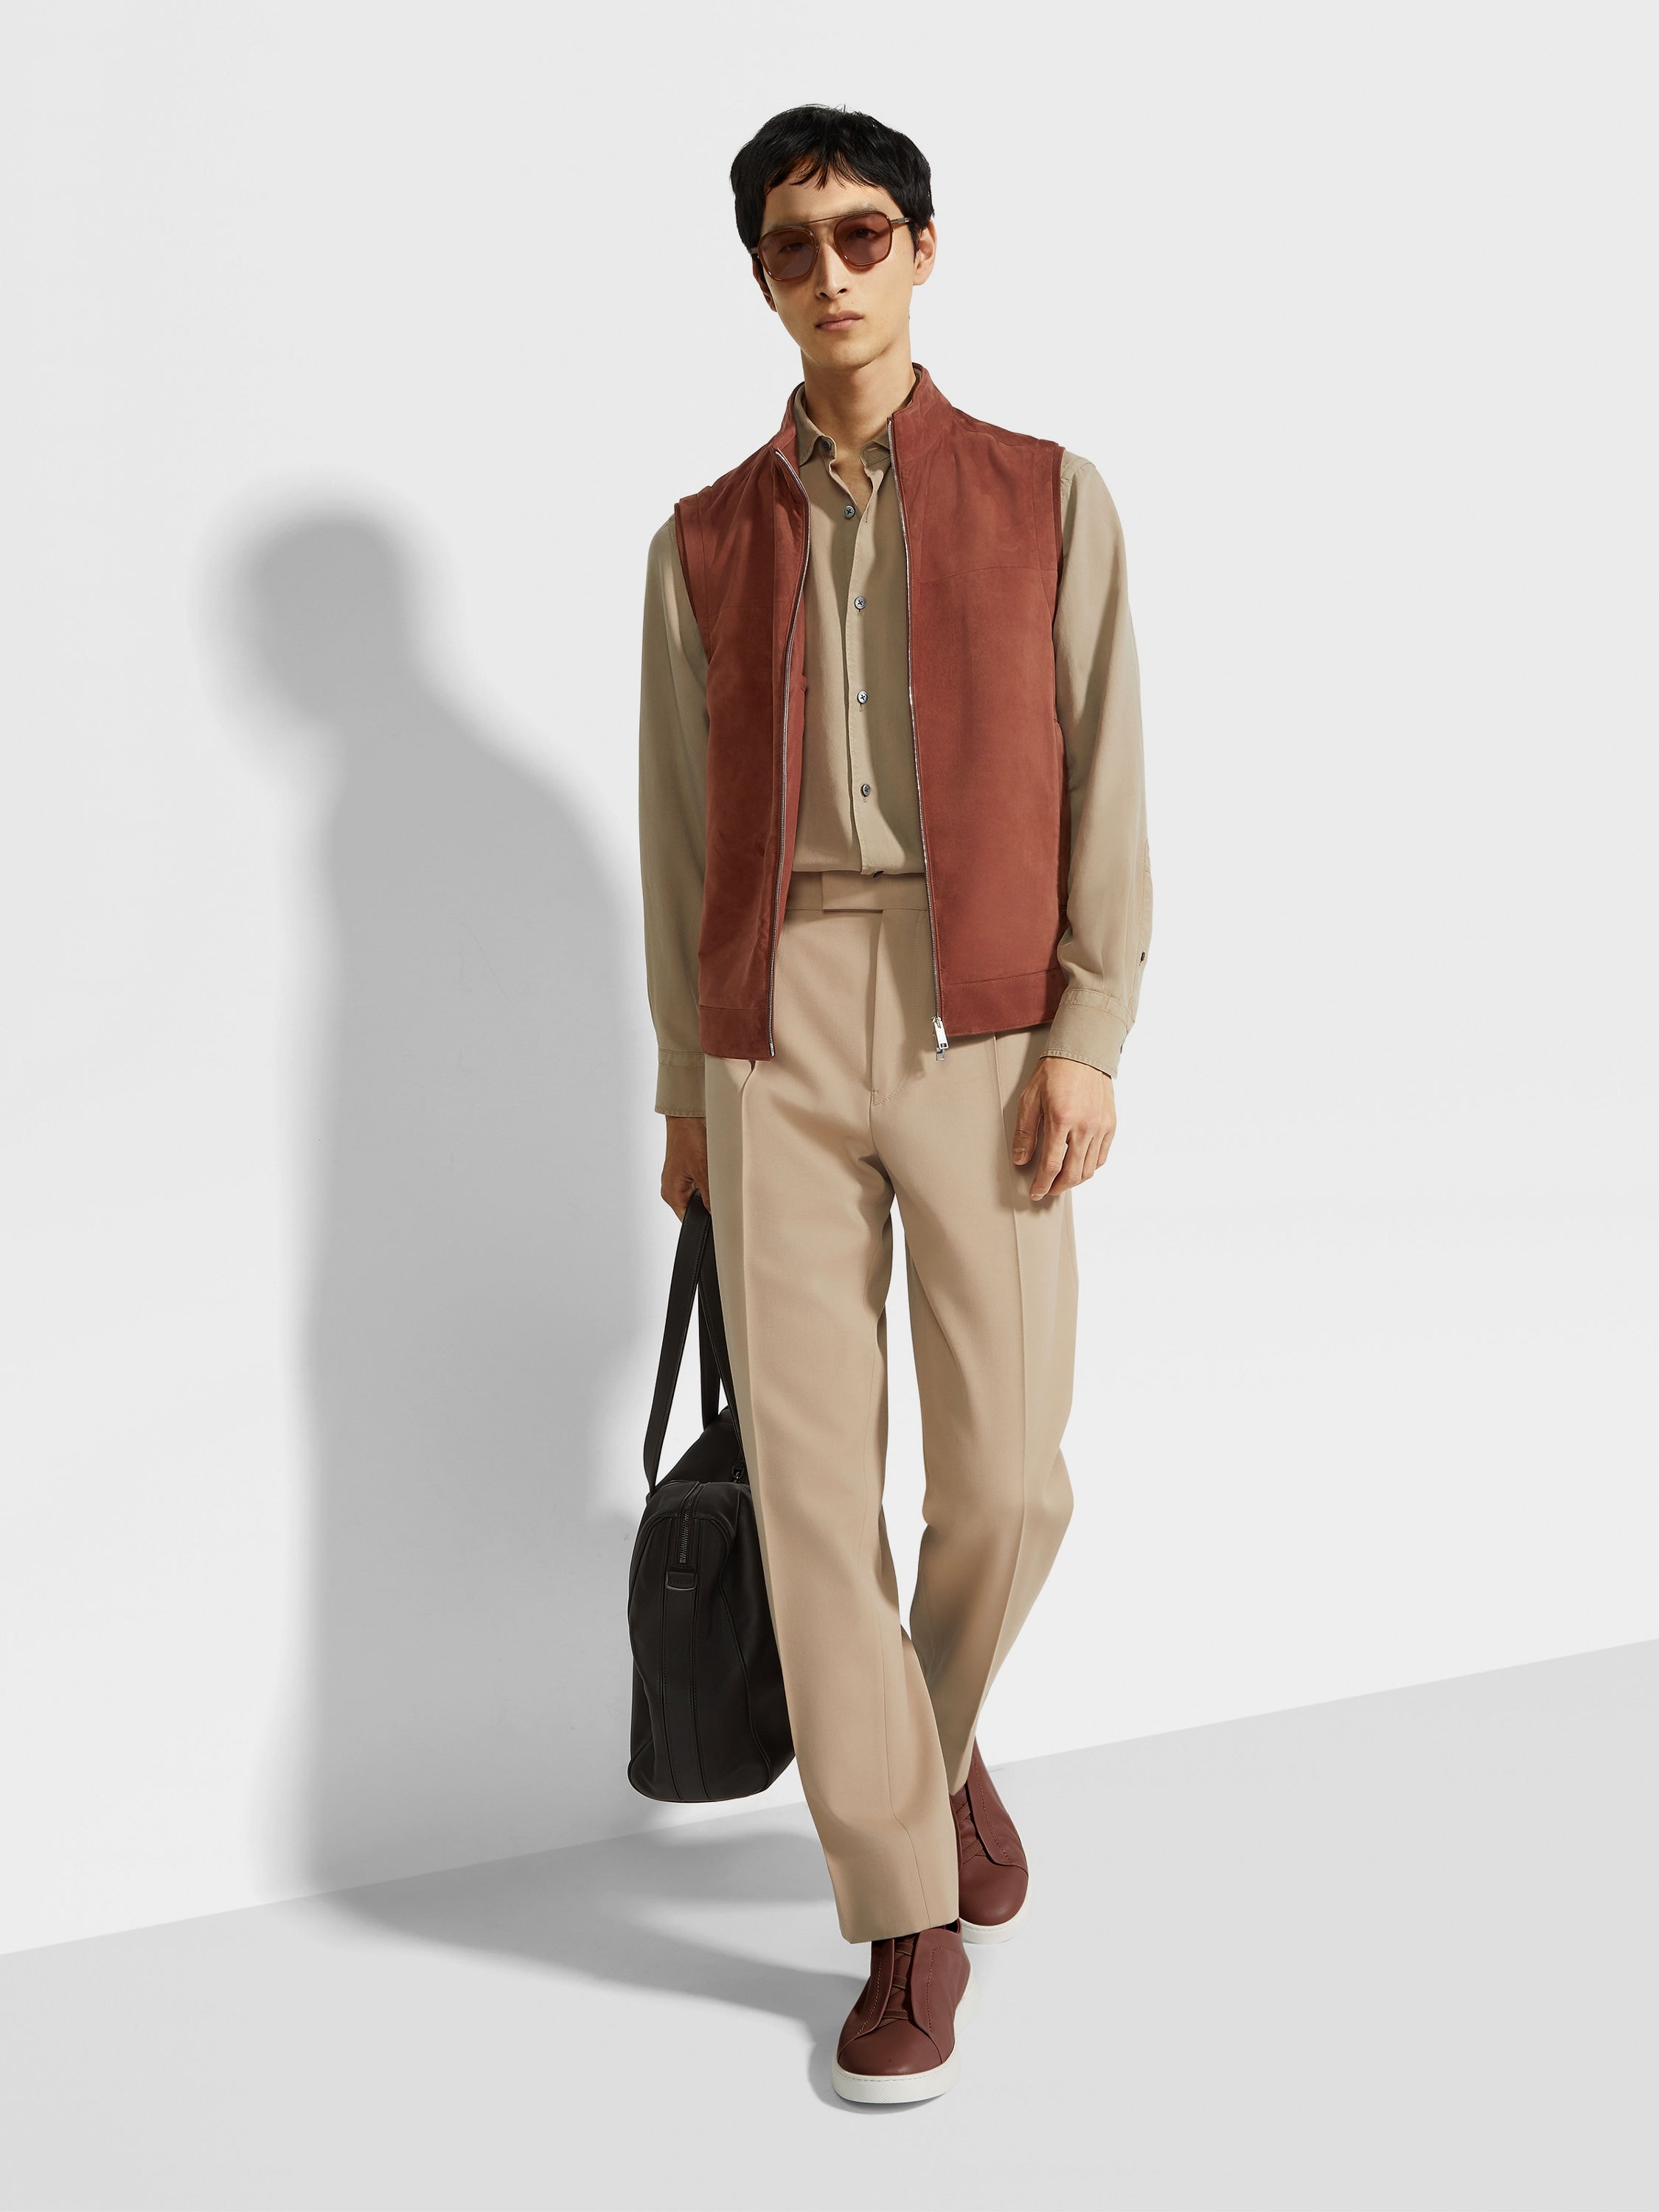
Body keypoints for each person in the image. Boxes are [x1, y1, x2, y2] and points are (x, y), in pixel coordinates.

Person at [636, 103, 1152, 2103]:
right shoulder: (700, 541)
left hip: (985, 1008)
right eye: (794, 246)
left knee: (1008, 1480)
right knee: (808, 1494)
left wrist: (1090, 1028)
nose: (832, 273)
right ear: (760, 279)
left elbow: (1106, 768)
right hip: (772, 1024)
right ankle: (901, 1910)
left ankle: (920, 1757)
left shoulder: (1046, 496)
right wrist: (686, 1085)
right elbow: (680, 833)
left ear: (924, 251)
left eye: (864, 234)